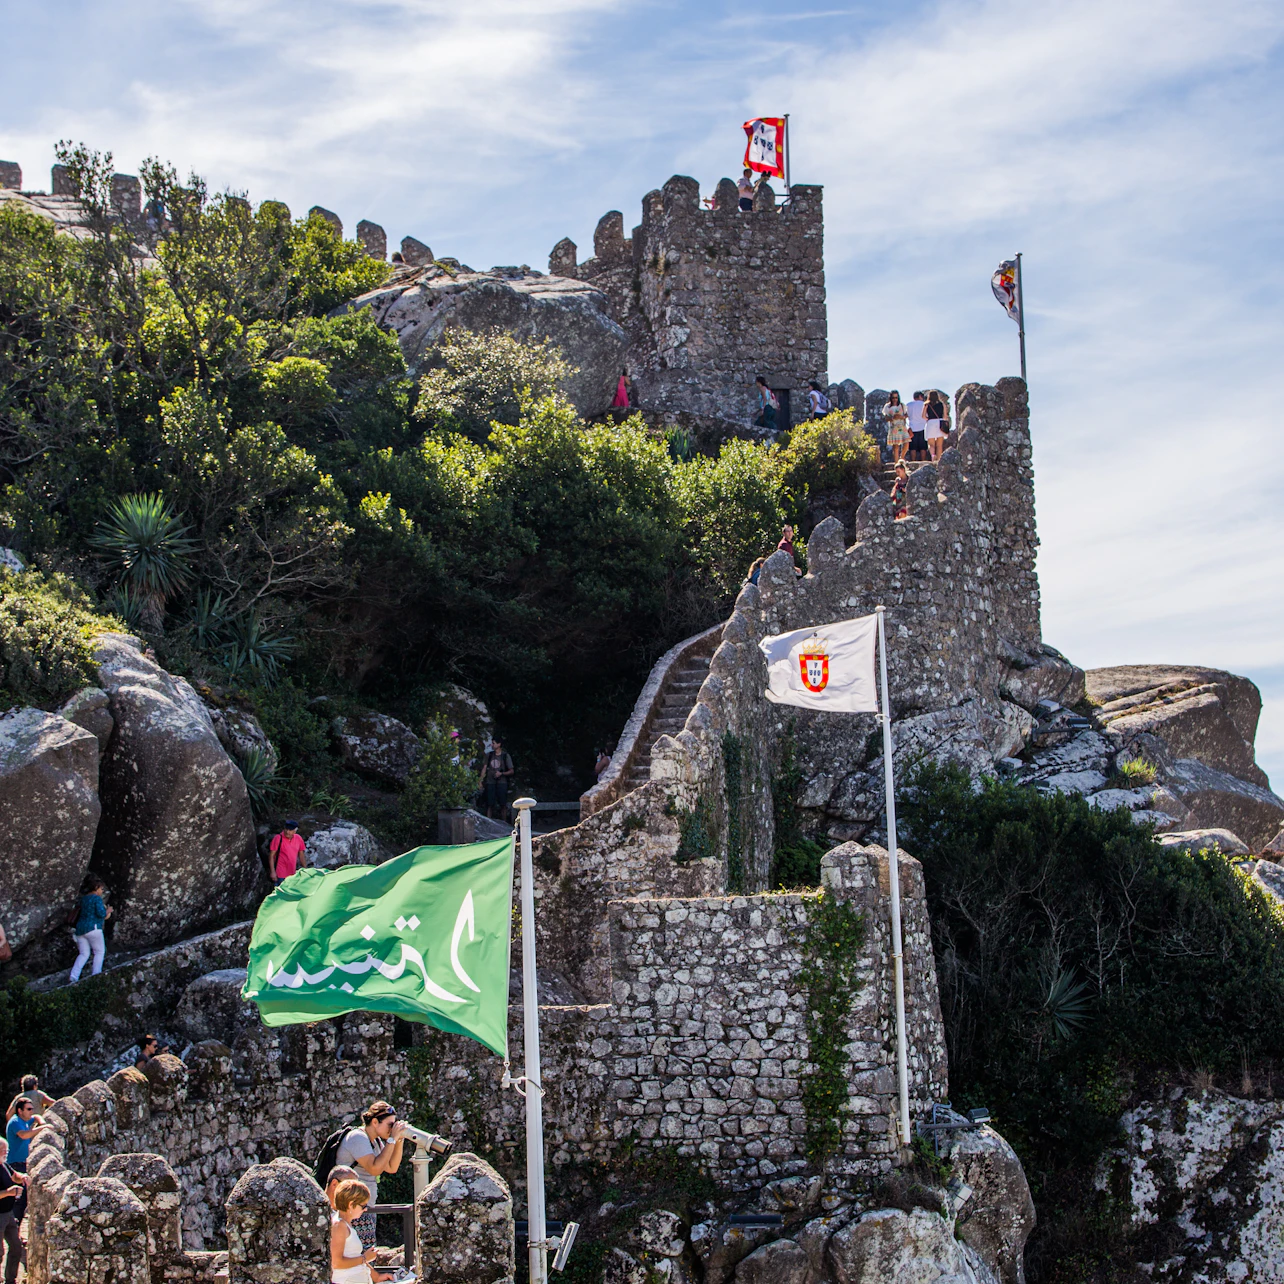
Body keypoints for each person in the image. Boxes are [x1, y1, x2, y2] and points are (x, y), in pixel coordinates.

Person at [335, 1101, 408, 1250]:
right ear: (375, 1122)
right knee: (360, 1254)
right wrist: (392, 1140)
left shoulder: (375, 1142)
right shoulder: (357, 1137)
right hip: (352, 1207)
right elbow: (375, 1168)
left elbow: (391, 1167)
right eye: (390, 1124)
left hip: (365, 1207)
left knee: (367, 1254)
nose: (392, 1128)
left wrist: (398, 1140)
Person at [330, 1180, 379, 1284]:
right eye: (363, 1206)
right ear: (351, 1204)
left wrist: (378, 1277)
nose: (365, 1210)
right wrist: (365, 1258)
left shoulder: (346, 1224)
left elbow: (354, 1257)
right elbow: (336, 1263)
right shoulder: (339, 1226)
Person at [68, 878, 111, 983]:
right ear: (96, 888)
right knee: (99, 952)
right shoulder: (96, 899)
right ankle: (96, 975)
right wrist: (108, 911)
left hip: (80, 930)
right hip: (93, 928)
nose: (102, 891)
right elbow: (101, 914)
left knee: (83, 954)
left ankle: (73, 976)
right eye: (101, 889)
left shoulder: (84, 899)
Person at [0, 1138, 25, 1284]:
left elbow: (14, 1175)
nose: (6, 1153)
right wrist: (8, 1193)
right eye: (4, 1151)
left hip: (8, 1214)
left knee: (16, 1247)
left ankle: (11, 1279)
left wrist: (23, 1177)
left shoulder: (3, 1165)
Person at [479, 739, 514, 821]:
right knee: (489, 804)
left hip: (502, 782)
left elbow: (511, 770)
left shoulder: (505, 756)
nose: (492, 745)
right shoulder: (489, 755)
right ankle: (488, 822)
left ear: (499, 744)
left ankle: (504, 823)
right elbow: (484, 768)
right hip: (490, 782)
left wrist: (501, 774)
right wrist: (480, 781)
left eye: (493, 743)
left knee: (503, 804)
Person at [5, 1101, 39, 1174]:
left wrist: (42, 1122)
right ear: (20, 1111)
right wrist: (43, 1127)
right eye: (29, 1109)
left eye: (32, 1109)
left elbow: (36, 1117)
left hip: (23, 1162)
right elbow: (23, 1135)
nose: (32, 1111)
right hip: (16, 1164)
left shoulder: (25, 1120)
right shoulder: (15, 1121)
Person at [269, 822, 307, 886]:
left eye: (290, 830)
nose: (287, 832)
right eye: (286, 829)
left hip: (292, 872)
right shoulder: (278, 838)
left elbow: (301, 855)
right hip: (280, 873)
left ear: (295, 831)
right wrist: (273, 872)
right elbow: (271, 856)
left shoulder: (298, 838)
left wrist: (305, 869)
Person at [883, 391, 910, 464]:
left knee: (906, 443)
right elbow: (886, 417)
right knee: (896, 446)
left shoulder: (902, 405)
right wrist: (892, 418)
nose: (895, 399)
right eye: (893, 398)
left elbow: (906, 415)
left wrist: (901, 417)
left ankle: (902, 458)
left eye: (896, 397)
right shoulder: (887, 407)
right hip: (894, 427)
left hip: (902, 426)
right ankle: (896, 462)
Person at [925, 391, 948, 462]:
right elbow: (945, 416)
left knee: (931, 444)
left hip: (931, 423)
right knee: (939, 445)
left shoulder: (926, 405)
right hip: (939, 422)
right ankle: (939, 460)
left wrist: (928, 419)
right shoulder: (942, 404)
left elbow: (923, 416)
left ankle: (932, 455)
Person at [906, 392, 928, 462]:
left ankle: (913, 461)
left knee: (913, 447)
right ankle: (923, 461)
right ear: (920, 396)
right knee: (923, 447)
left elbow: (906, 415)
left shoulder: (908, 405)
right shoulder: (924, 404)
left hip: (912, 428)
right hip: (923, 427)